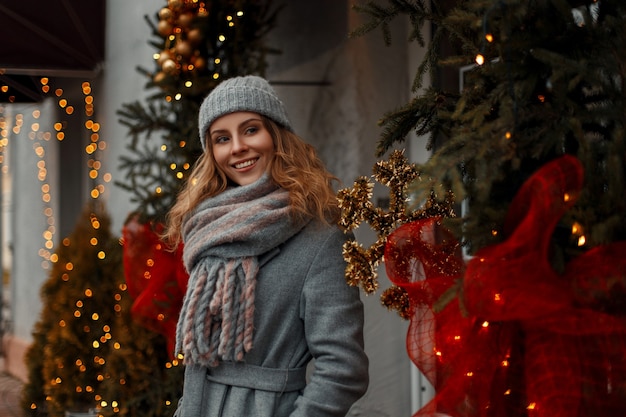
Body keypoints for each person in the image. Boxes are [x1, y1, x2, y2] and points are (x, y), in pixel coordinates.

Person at [163, 75, 369, 417]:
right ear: (213, 153)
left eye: (250, 129)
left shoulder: (320, 235)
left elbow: (343, 369)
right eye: (222, 138)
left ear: (276, 135)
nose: (238, 147)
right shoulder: (208, 227)